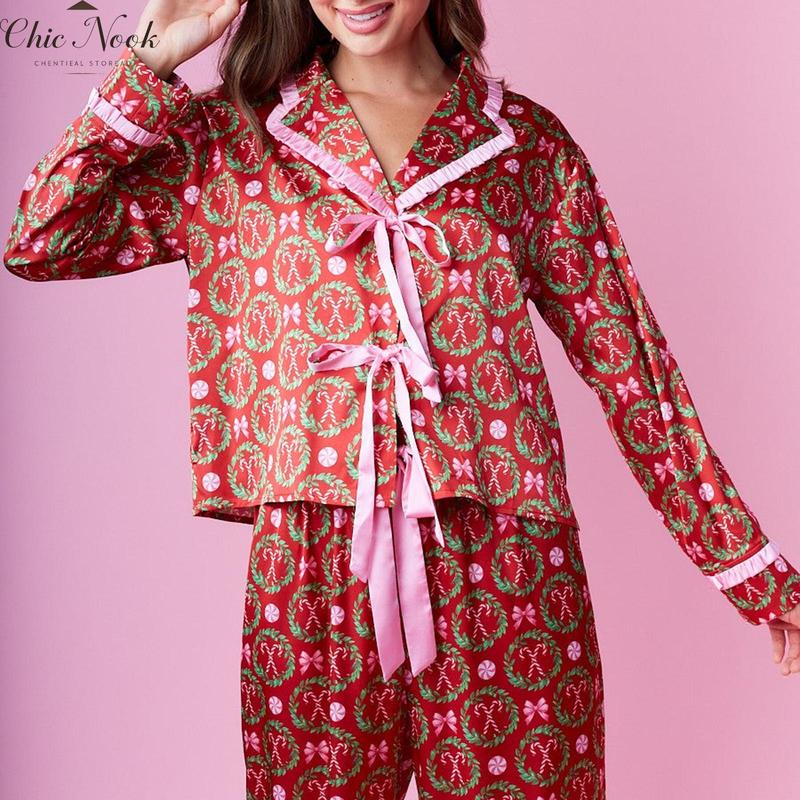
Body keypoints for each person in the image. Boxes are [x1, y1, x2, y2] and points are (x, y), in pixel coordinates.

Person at [4, 0, 800, 796]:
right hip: (311, 569)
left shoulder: (527, 146)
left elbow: (636, 376)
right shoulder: (230, 138)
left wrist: (753, 574)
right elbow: (43, 237)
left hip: (510, 563)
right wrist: (149, 59)